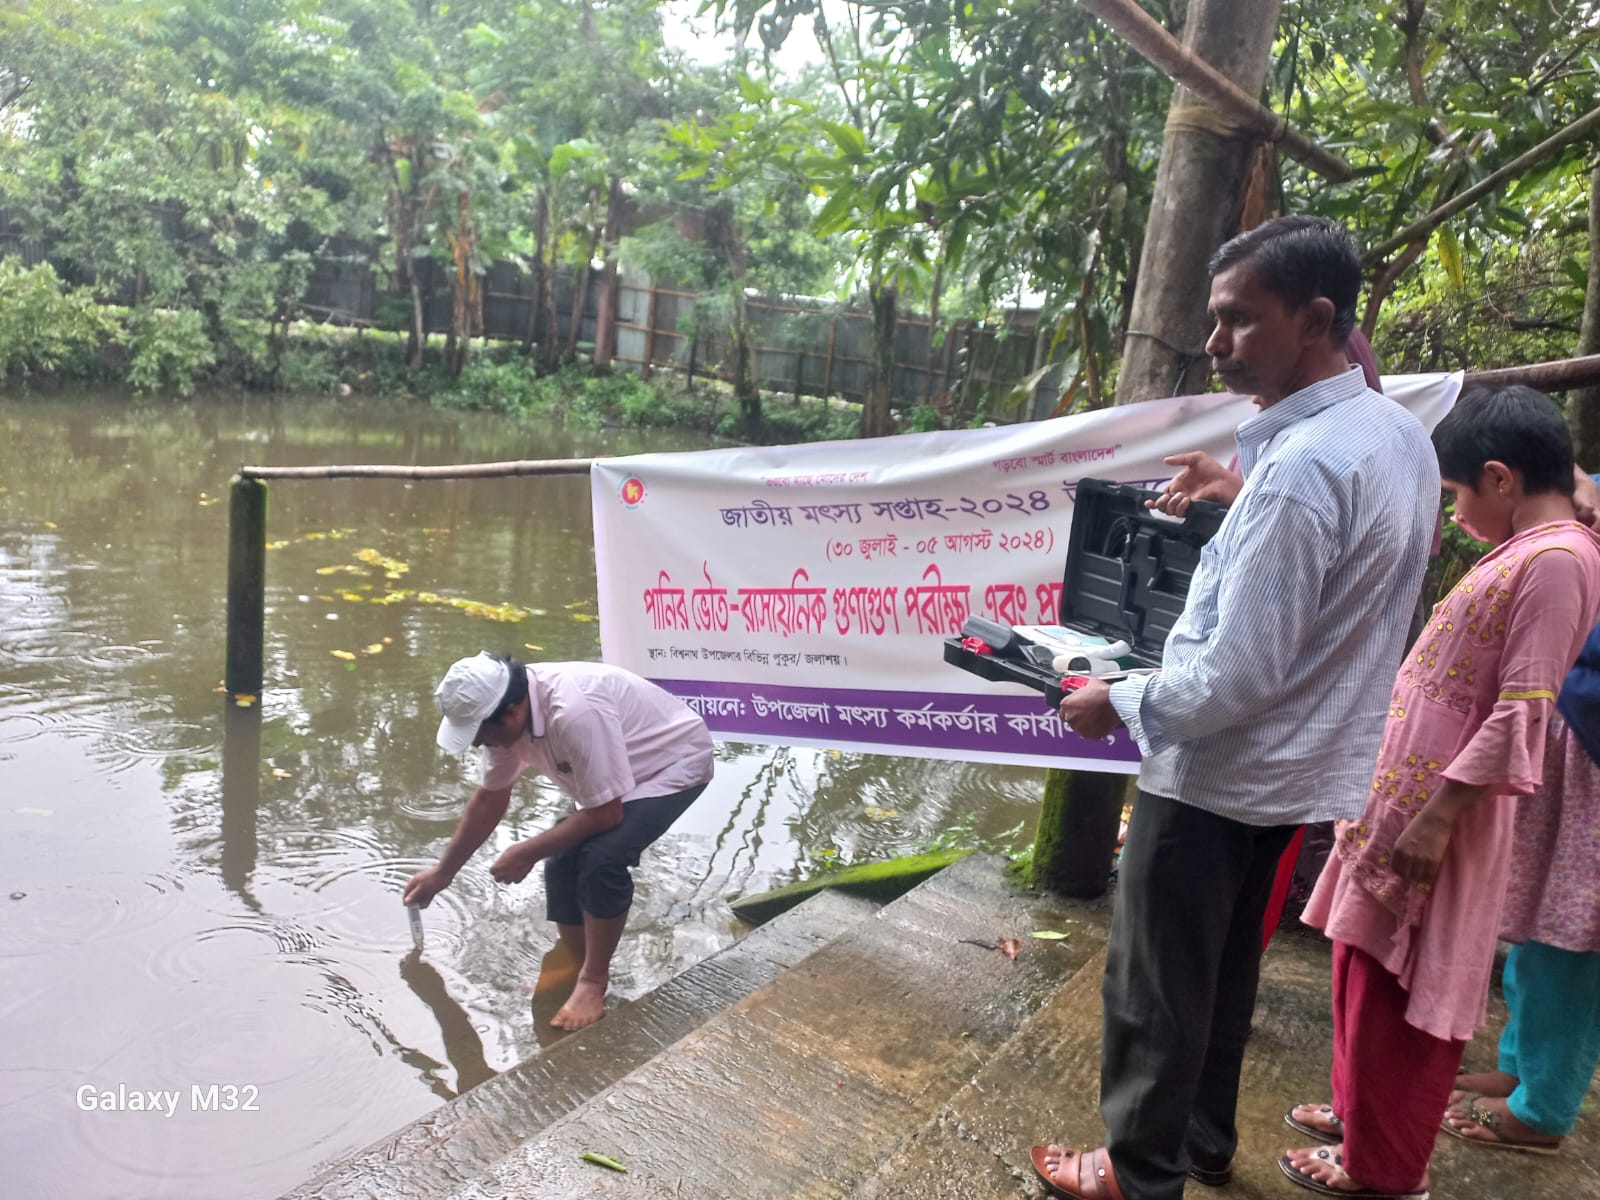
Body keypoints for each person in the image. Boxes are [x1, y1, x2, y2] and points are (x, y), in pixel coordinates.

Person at [1029, 216, 1439, 1200]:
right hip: (1297, 773)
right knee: (1219, 974)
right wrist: (1235, 501)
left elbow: (1232, 677)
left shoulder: (1300, 473)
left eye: (1236, 321)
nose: (1214, 344)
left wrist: (1113, 698)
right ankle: (1203, 1137)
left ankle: (1135, 1171)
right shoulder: (1392, 436)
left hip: (1217, 771)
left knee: (1154, 986)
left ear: (1315, 320)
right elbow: (1334, 578)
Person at [1282, 388, 1600, 1198]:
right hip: (1407, 800)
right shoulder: (1537, 548)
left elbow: (1522, 711)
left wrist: (1438, 819)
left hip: (1440, 817)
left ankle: (1384, 1169)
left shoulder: (1560, 561)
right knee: (1362, 964)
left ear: (1499, 479)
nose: (1454, 515)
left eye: (1457, 496)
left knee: (1402, 991)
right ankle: (1362, 1116)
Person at [403, 653, 713, 1031]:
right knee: (562, 860)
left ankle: (593, 981)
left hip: (671, 762)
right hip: (619, 765)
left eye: (481, 733)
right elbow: (489, 799)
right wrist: (442, 873)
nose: (478, 743)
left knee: (602, 859)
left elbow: (606, 815)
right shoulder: (503, 727)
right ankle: (574, 959)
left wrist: (525, 852)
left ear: (513, 710)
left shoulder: (575, 714)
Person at [1437, 466, 1600, 1155]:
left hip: (1593, 745)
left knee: (1573, 940)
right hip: (1574, 724)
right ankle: (1520, 1067)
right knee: (1540, 921)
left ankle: (1544, 1108)